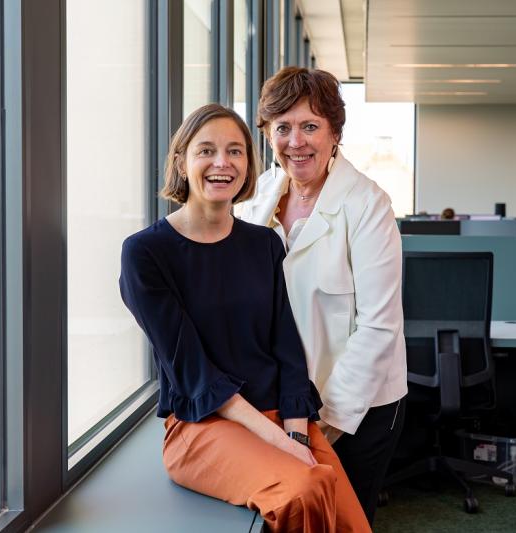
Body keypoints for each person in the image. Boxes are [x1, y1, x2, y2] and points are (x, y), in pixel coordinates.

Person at [119, 104, 370, 532]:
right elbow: (195, 373)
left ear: (249, 165)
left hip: (278, 414)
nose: (223, 163)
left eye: (235, 151)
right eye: (207, 151)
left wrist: (294, 430)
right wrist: (281, 444)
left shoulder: (264, 244)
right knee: (304, 490)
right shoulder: (145, 252)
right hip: (204, 426)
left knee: (348, 520)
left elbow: (287, 346)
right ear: (182, 161)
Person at [238, 67, 407, 525]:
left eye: (310, 126)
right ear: (267, 134)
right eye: (283, 128)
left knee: (344, 519)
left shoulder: (368, 205)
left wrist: (322, 421)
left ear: (335, 133)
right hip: (287, 407)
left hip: (359, 407)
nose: (296, 141)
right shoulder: (254, 205)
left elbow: (379, 326)